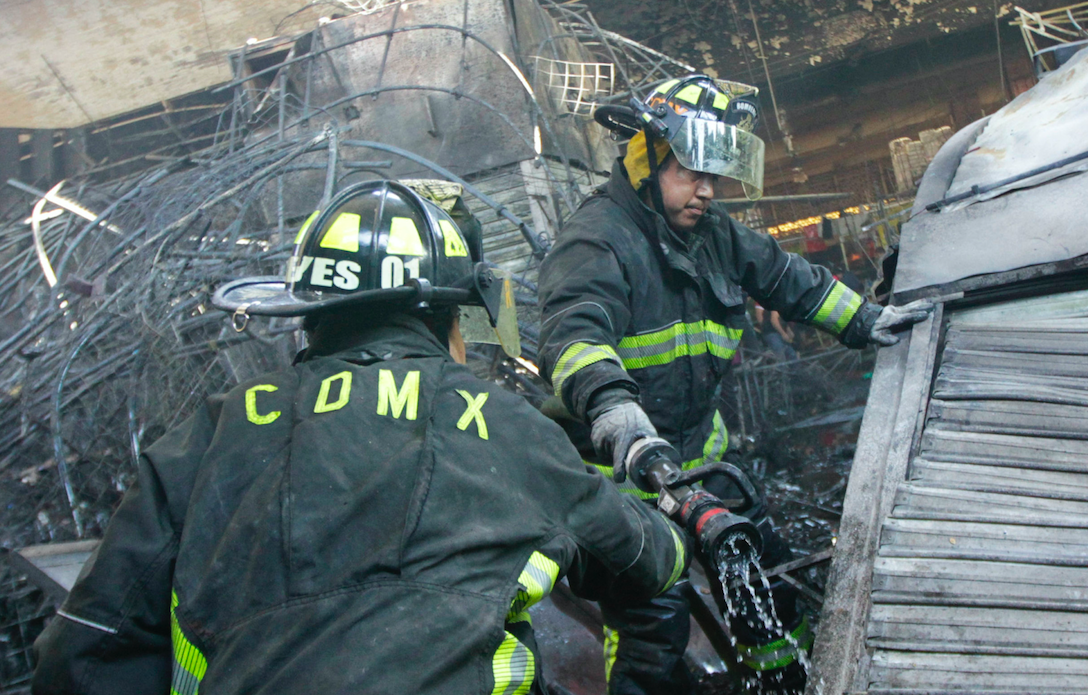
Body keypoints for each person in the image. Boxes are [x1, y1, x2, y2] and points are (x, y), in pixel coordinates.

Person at [32, 180, 690, 695]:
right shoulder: (500, 422)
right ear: (441, 316)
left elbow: (83, 647)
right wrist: (670, 510)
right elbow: (648, 558)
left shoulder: (212, 429)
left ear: (310, 316)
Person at [537, 76, 931, 694]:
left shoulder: (712, 233)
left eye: (715, 176)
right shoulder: (595, 241)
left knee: (766, 588)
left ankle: (788, 683)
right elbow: (573, 334)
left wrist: (870, 322)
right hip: (625, 482)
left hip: (702, 462)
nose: (706, 191)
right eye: (692, 172)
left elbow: (787, 279)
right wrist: (617, 416)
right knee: (653, 628)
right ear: (645, 158)